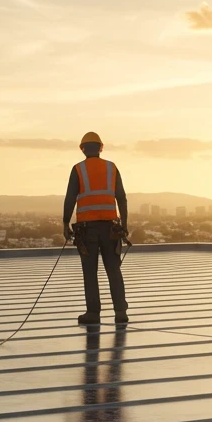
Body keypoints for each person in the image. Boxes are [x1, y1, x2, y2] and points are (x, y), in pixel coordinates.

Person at [62, 131, 129, 325]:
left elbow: (70, 199)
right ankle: (120, 312)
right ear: (101, 148)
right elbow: (122, 198)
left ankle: (93, 313)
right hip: (111, 228)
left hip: (87, 229)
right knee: (114, 270)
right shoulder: (112, 168)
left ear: (82, 149)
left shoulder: (78, 169)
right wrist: (124, 226)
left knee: (90, 272)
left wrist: (65, 223)